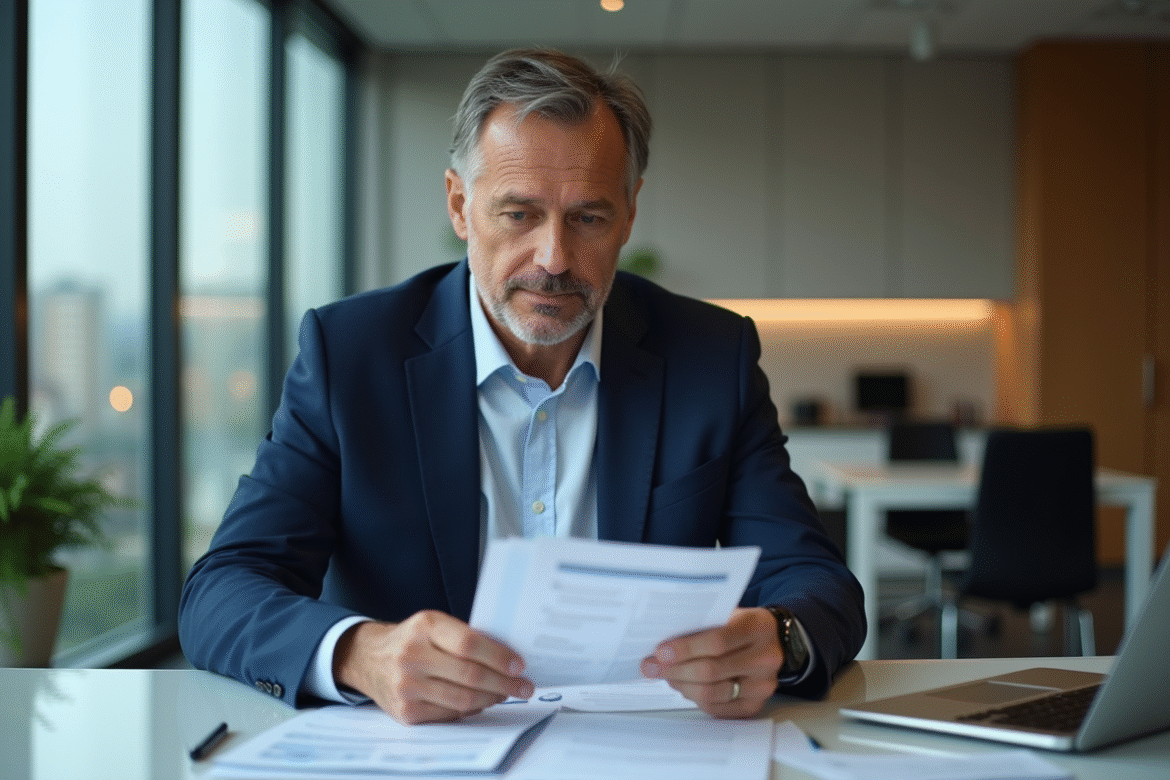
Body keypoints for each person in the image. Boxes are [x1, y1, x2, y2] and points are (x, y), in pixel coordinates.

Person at [179, 48, 865, 726]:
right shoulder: (351, 355)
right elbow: (221, 592)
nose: (554, 258)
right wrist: (363, 653)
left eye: (588, 217)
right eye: (518, 214)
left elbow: (819, 584)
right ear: (459, 204)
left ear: (629, 214)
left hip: (647, 749)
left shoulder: (710, 357)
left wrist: (779, 639)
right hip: (421, 757)